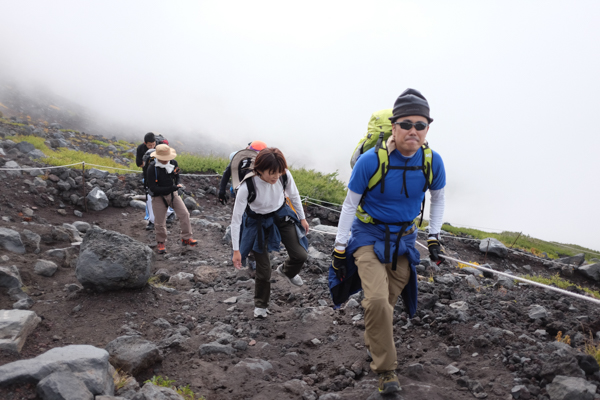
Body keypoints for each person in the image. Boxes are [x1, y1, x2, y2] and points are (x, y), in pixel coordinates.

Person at [331, 88, 446, 394]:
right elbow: (348, 205)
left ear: (427, 129)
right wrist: (340, 247)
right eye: (406, 124)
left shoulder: (432, 162)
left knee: (387, 303)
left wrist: (434, 236)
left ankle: (374, 338)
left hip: (405, 241)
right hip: (368, 236)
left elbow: (438, 197)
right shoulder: (370, 161)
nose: (413, 130)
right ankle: (386, 370)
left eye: (420, 125)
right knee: (378, 301)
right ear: (394, 126)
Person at [230, 147, 309, 319]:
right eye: (271, 172)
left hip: (281, 214)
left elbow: (294, 195)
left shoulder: (284, 175)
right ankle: (260, 305)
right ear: (259, 170)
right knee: (264, 271)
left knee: (300, 255)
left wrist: (302, 218)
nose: (276, 176)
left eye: (278, 172)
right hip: (257, 222)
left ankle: (286, 271)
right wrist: (236, 250)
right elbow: (236, 220)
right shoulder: (247, 186)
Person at [146, 144, 197, 254]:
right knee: (159, 221)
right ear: (158, 157)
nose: (167, 160)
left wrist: (178, 184)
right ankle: (161, 242)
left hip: (173, 194)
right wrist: (173, 187)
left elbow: (177, 176)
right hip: (158, 196)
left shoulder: (173, 163)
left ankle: (186, 238)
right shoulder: (152, 168)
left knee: (184, 214)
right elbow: (153, 187)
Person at [136, 132, 173, 230]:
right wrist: (148, 164)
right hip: (148, 176)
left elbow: (169, 159)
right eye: (149, 145)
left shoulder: (161, 146)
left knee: (164, 194)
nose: (152, 146)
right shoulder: (141, 149)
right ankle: (151, 221)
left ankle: (170, 213)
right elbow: (139, 163)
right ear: (145, 143)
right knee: (149, 196)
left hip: (162, 174)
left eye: (153, 144)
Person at [218, 140, 268, 205]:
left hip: (240, 190)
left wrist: (222, 191)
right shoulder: (266, 162)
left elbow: (226, 174)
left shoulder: (238, 158)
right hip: (251, 193)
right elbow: (227, 174)